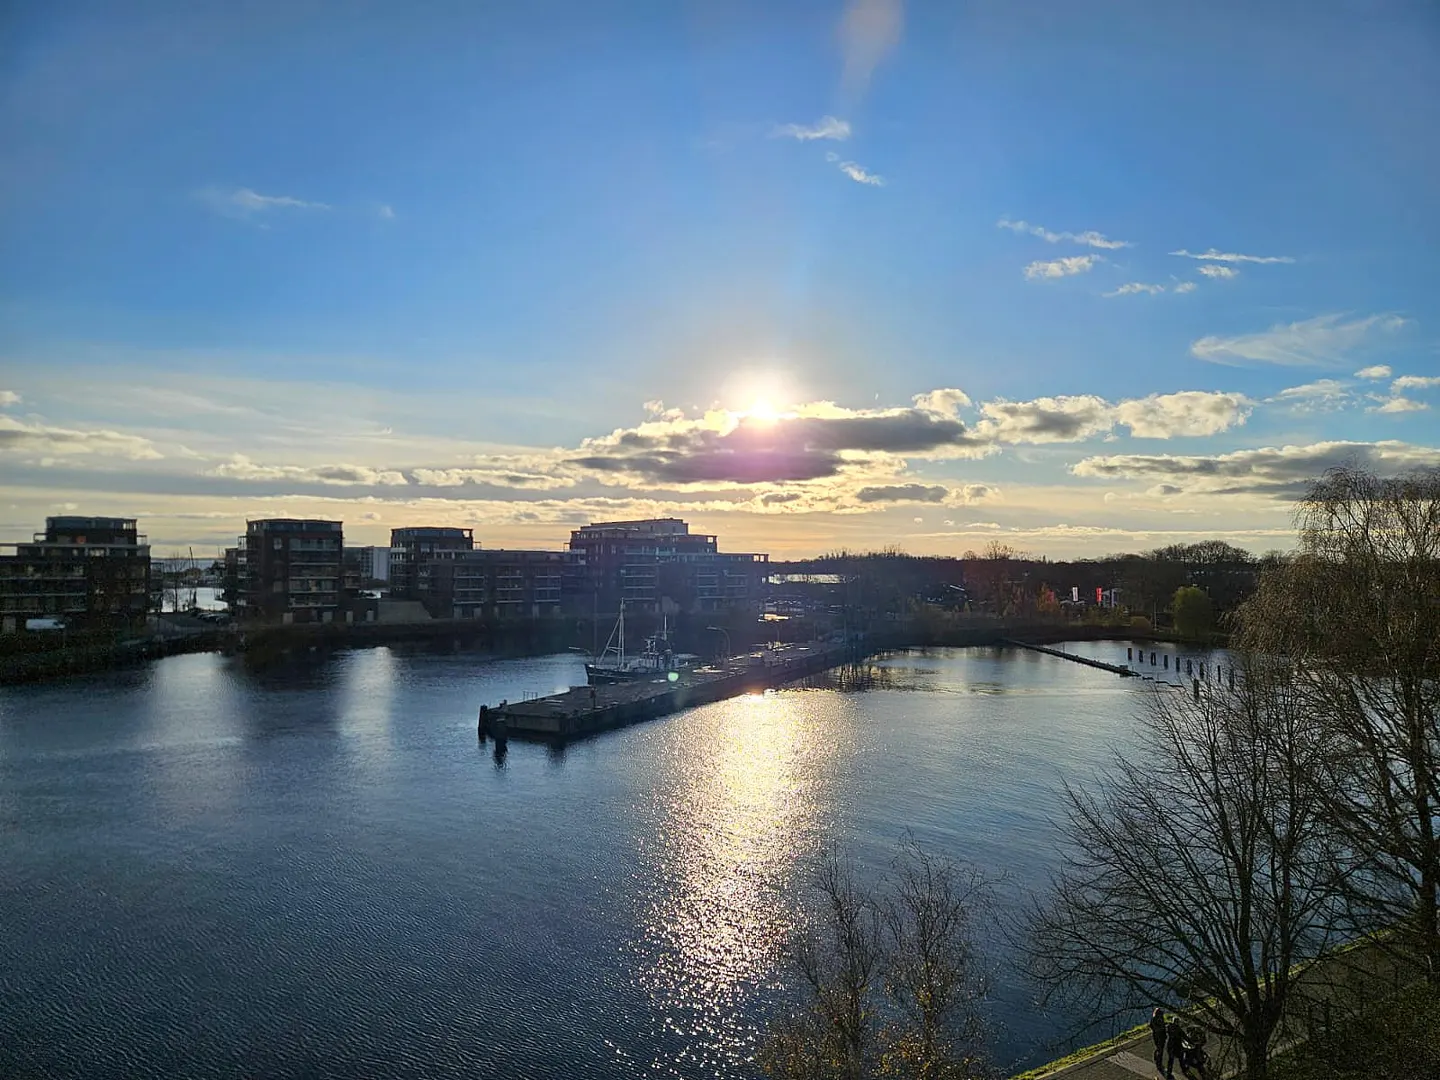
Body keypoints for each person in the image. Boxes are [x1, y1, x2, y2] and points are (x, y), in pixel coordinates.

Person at [1165, 1014, 1186, 1079]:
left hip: (1170, 1046)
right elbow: (1185, 1036)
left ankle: (1169, 1072)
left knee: (1171, 1060)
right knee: (1181, 1058)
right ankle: (1184, 1069)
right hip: (1177, 1047)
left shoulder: (1169, 1027)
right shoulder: (1178, 1029)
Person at [1149, 1008, 1167, 1073]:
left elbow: (1151, 1026)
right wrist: (1159, 1028)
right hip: (1158, 1036)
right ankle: (1159, 1063)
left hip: (1161, 1036)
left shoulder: (1159, 1018)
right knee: (1160, 1050)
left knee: (1160, 1048)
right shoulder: (1155, 1019)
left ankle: (1156, 1056)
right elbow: (1152, 1026)